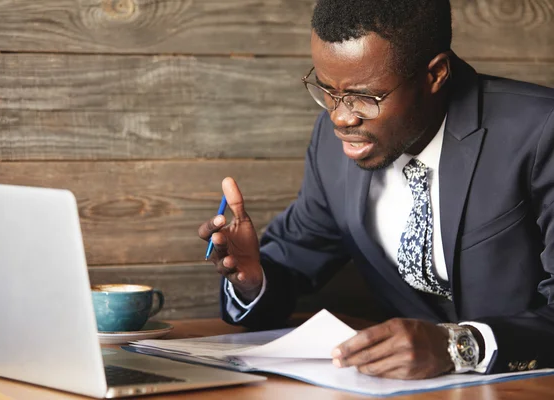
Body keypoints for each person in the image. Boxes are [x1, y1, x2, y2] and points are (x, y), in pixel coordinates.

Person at [198, 0, 554, 379]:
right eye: (326, 90)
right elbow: (297, 254)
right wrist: (253, 278)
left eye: (365, 96)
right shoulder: (333, 143)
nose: (340, 117)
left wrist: (458, 346)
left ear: (435, 74)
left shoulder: (539, 132)